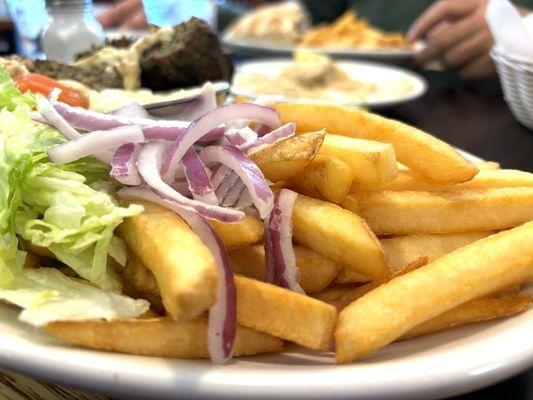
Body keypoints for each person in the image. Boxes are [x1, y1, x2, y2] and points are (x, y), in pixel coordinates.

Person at [97, 0, 531, 80]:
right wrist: (198, 18)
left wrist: (521, 25)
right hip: (337, 92)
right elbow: (300, 23)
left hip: (497, 122)